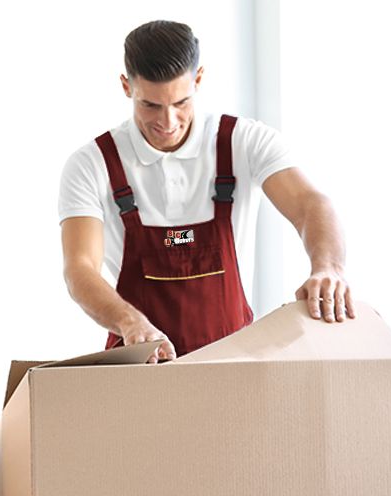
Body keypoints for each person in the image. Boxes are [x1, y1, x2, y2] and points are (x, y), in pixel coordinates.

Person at [59, 19, 354, 361]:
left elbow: (310, 204)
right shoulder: (91, 164)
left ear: (198, 80)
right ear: (127, 87)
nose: (167, 122)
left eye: (181, 102)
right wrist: (129, 322)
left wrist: (328, 267)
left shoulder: (244, 141)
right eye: (150, 105)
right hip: (138, 366)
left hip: (233, 366)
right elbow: (79, 268)